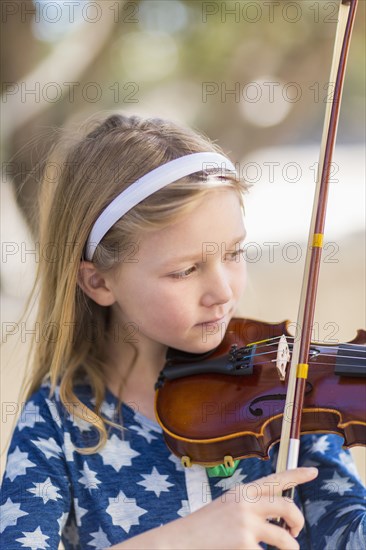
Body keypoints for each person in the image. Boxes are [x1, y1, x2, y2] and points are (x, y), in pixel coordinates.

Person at [1, 113, 365, 550]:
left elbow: (348, 534)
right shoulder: (58, 421)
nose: (222, 290)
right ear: (98, 281)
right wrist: (186, 538)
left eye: (233, 252)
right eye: (186, 270)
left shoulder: (290, 393)